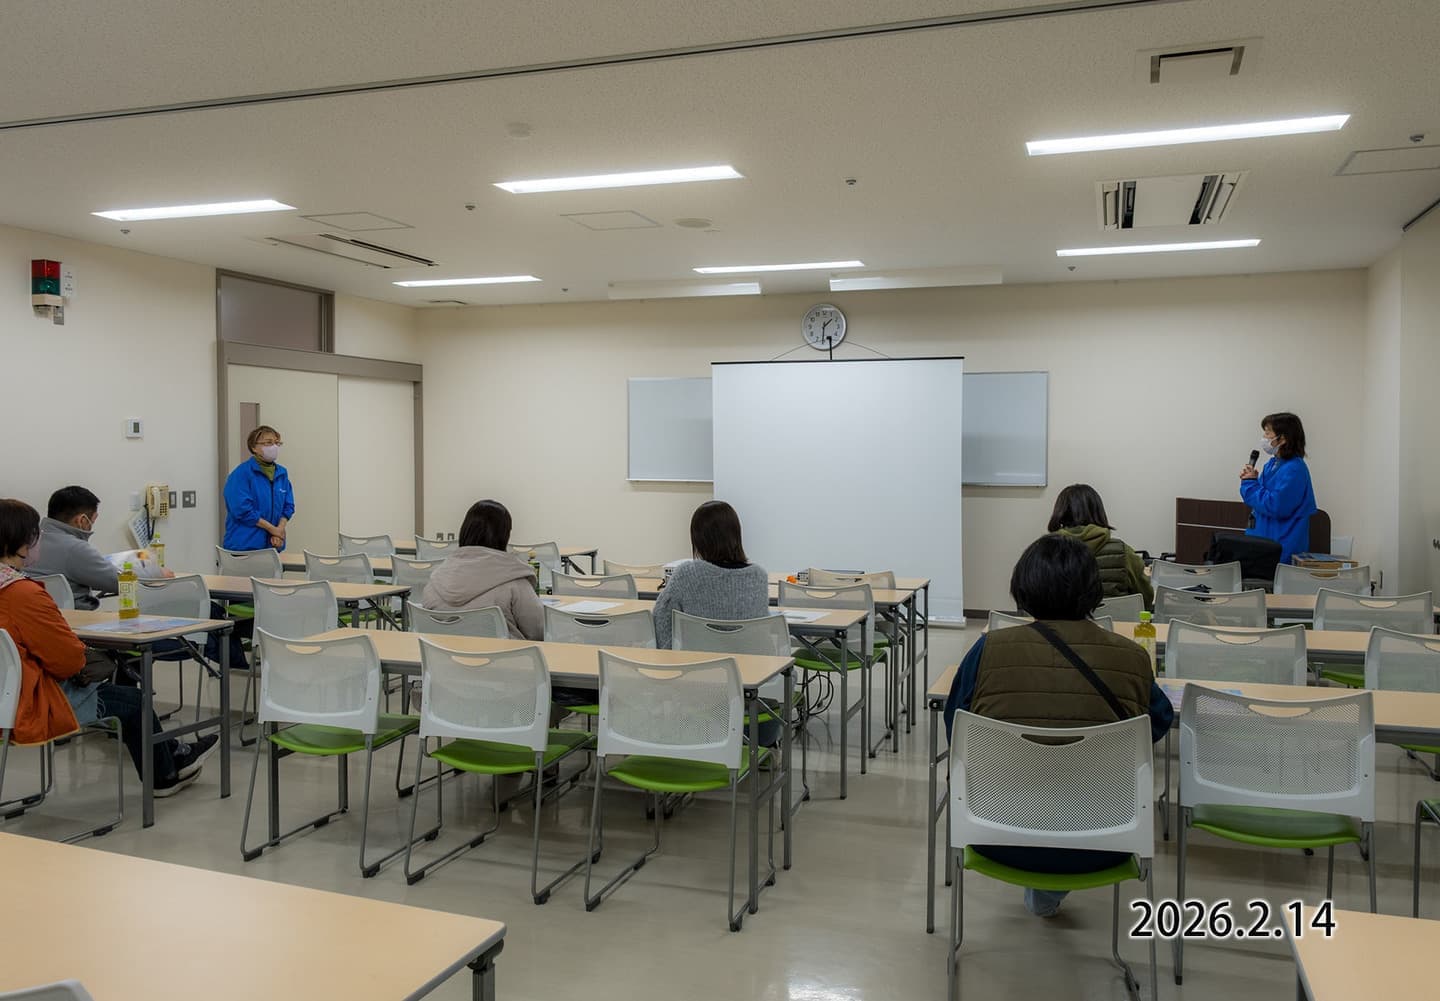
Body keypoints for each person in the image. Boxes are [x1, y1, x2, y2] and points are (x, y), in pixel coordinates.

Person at [944, 534, 1173, 918]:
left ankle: (1042, 887)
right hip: (1106, 837)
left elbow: (957, 728)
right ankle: (1049, 888)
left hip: (994, 831)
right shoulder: (1133, 658)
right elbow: (1158, 722)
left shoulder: (987, 650)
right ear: (1094, 591)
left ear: (1023, 587)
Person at [0, 498, 214, 796]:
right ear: (21, 541)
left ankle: (175, 755)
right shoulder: (23, 594)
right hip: (28, 701)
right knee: (134, 700)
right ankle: (164, 776)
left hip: (9, 692)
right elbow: (67, 661)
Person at [31, 485, 173, 611]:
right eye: (93, 520)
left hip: (43, 618)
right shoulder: (75, 548)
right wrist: (157, 573)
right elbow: (119, 583)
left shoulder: (29, 541)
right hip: (77, 621)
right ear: (82, 520)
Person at [653, 501, 770, 649]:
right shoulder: (759, 576)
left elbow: (661, 619)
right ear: (736, 534)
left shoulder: (686, 574)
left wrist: (674, 654)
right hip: (752, 662)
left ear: (698, 539)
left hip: (699, 661)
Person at [421, 499, 545, 639]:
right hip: (504, 653)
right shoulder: (515, 582)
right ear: (505, 535)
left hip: (443, 653)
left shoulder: (435, 581)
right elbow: (541, 631)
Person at [1046, 483, 1153, 609]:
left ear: (1060, 512)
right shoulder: (1123, 552)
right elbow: (1145, 599)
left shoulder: (1043, 551)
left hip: (1060, 621)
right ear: (1098, 511)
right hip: (1114, 621)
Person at [1239, 411, 1317, 566]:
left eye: (1268, 433)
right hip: (1263, 544)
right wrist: (1252, 480)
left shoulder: (1294, 469)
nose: (1264, 437)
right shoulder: (1272, 464)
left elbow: (1275, 506)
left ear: (1283, 438)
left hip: (1280, 549)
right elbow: (1259, 497)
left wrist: (1250, 483)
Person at [223, 425, 294, 552]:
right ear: (254, 447)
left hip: (272, 547)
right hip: (244, 547)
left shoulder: (282, 474)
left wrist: (279, 531)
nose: (274, 447)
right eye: (268, 443)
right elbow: (242, 510)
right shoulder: (241, 474)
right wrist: (273, 529)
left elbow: (288, 507)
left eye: (277, 443)